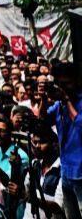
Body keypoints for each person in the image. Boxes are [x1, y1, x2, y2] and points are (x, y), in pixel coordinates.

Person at [40, 62, 82, 219]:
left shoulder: (73, 102)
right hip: (66, 171)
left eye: (67, 84)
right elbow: (42, 121)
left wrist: (67, 100)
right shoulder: (59, 105)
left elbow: (80, 124)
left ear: (76, 81)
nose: (63, 88)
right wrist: (43, 99)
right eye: (60, 84)